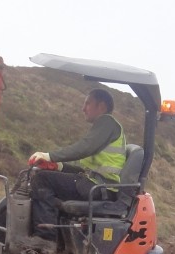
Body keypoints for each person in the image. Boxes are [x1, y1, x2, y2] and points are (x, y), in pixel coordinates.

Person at [27, 88, 126, 241]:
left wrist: (49, 156)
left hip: (99, 188)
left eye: (88, 103)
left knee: (42, 180)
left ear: (101, 106)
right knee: (48, 178)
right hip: (96, 184)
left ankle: (45, 239)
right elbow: (87, 169)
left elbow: (84, 147)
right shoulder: (104, 128)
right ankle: (58, 237)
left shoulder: (107, 122)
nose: (83, 108)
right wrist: (58, 166)